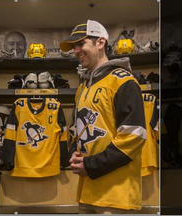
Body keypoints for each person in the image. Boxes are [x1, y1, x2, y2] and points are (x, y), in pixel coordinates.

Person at [60, 20, 146, 214]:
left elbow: (134, 136)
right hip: (87, 193)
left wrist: (91, 165)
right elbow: (79, 129)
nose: (75, 51)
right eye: (74, 46)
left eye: (81, 44)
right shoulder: (83, 88)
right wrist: (75, 151)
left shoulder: (123, 82)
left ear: (100, 43)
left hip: (116, 197)